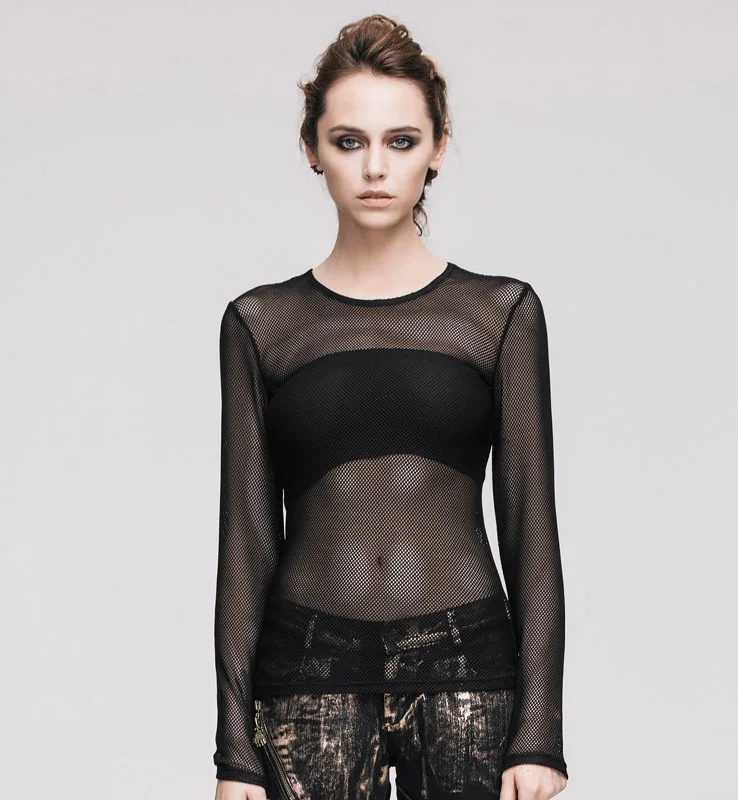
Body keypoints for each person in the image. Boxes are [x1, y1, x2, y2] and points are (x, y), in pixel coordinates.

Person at [213, 14, 569, 800]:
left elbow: (531, 530)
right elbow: (246, 543)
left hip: (468, 673)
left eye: (401, 141)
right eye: (349, 141)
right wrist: (234, 753)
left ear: (438, 147)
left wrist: (539, 733)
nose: (375, 167)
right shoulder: (261, 324)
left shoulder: (498, 314)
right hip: (308, 678)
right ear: (312, 148)